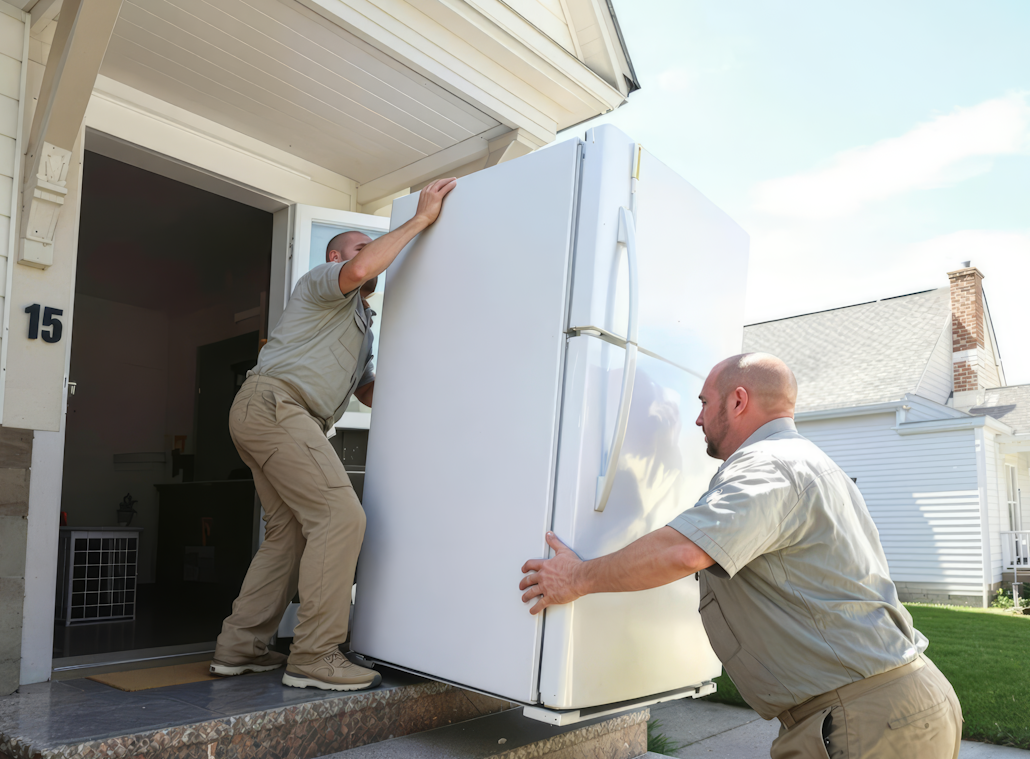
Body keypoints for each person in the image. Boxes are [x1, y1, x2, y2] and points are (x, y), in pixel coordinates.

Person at [519, 353, 963, 759]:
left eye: (704, 401)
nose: (696, 418)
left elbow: (682, 550)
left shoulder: (770, 466)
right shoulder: (806, 462)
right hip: (888, 708)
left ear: (737, 401)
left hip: (864, 720)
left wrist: (575, 578)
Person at [212, 178, 457, 691]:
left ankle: (240, 647)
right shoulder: (323, 281)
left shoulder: (362, 325)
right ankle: (316, 654)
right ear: (335, 255)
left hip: (275, 415)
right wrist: (420, 220)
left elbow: (369, 394)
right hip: (278, 406)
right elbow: (365, 268)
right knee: (341, 517)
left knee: (289, 535)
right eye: (359, 246)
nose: (367, 256)